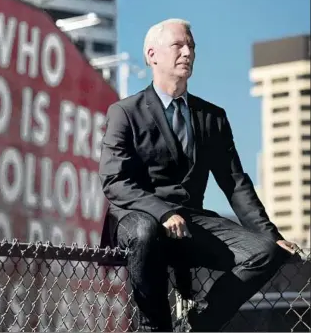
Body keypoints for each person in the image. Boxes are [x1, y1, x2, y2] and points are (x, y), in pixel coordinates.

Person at [98, 18, 300, 332]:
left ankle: (195, 325)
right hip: (136, 217)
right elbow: (115, 181)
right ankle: (155, 327)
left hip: (191, 222)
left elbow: (234, 182)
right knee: (145, 231)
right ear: (152, 55)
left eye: (191, 46)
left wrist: (270, 234)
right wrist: (163, 212)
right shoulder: (124, 112)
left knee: (264, 253)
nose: (187, 52)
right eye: (178, 45)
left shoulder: (212, 117)